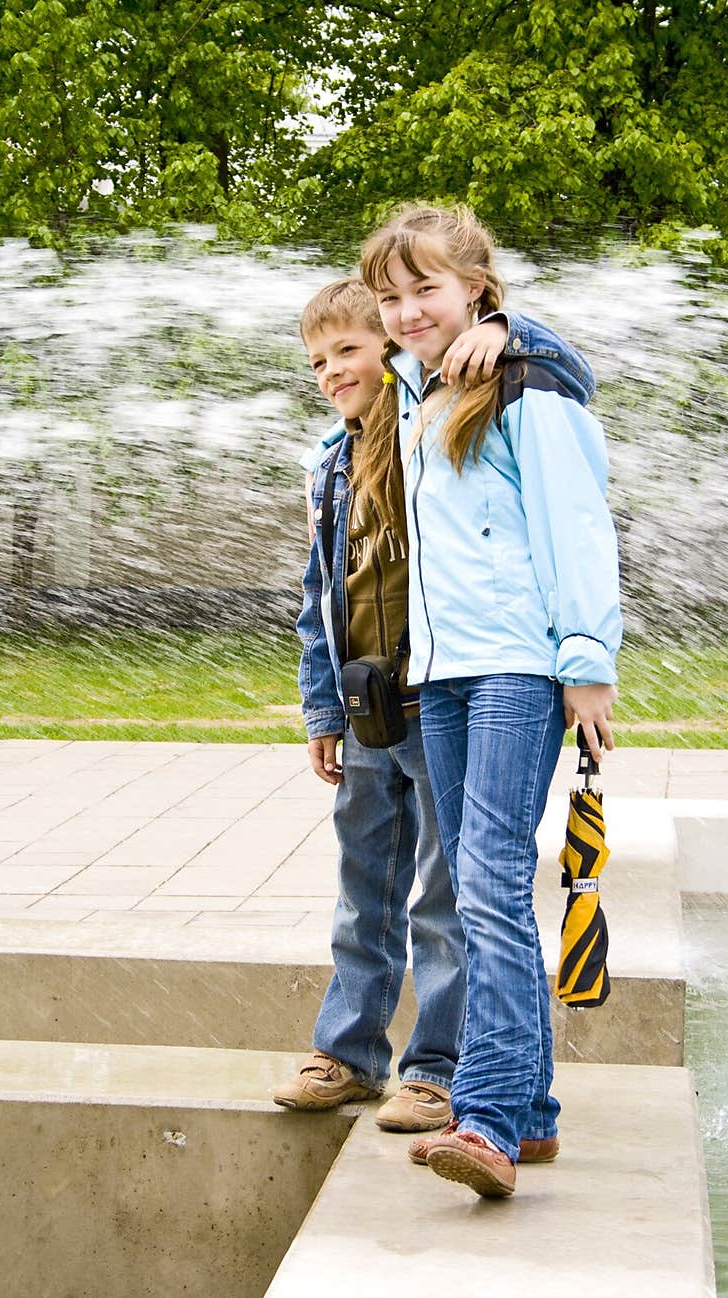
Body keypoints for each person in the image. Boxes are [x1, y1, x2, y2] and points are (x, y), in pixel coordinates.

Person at [356, 203, 623, 1195]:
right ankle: (534, 1110)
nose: (405, 310)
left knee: (488, 879)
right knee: (476, 879)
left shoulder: (527, 373)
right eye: (390, 297)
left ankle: (492, 1118)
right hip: (442, 670)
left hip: (517, 663)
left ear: (476, 284)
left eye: (424, 287)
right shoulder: (412, 387)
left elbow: (575, 521)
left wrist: (587, 657)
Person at [274, 277, 530, 1131]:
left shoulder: (434, 425)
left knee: (443, 894)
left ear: (388, 350)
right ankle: (349, 1055)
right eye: (317, 361)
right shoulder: (328, 463)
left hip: (443, 692)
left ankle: (437, 1070)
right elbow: (320, 596)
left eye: (347, 350)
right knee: (364, 886)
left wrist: (499, 325)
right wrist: (323, 709)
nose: (330, 371)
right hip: (367, 702)